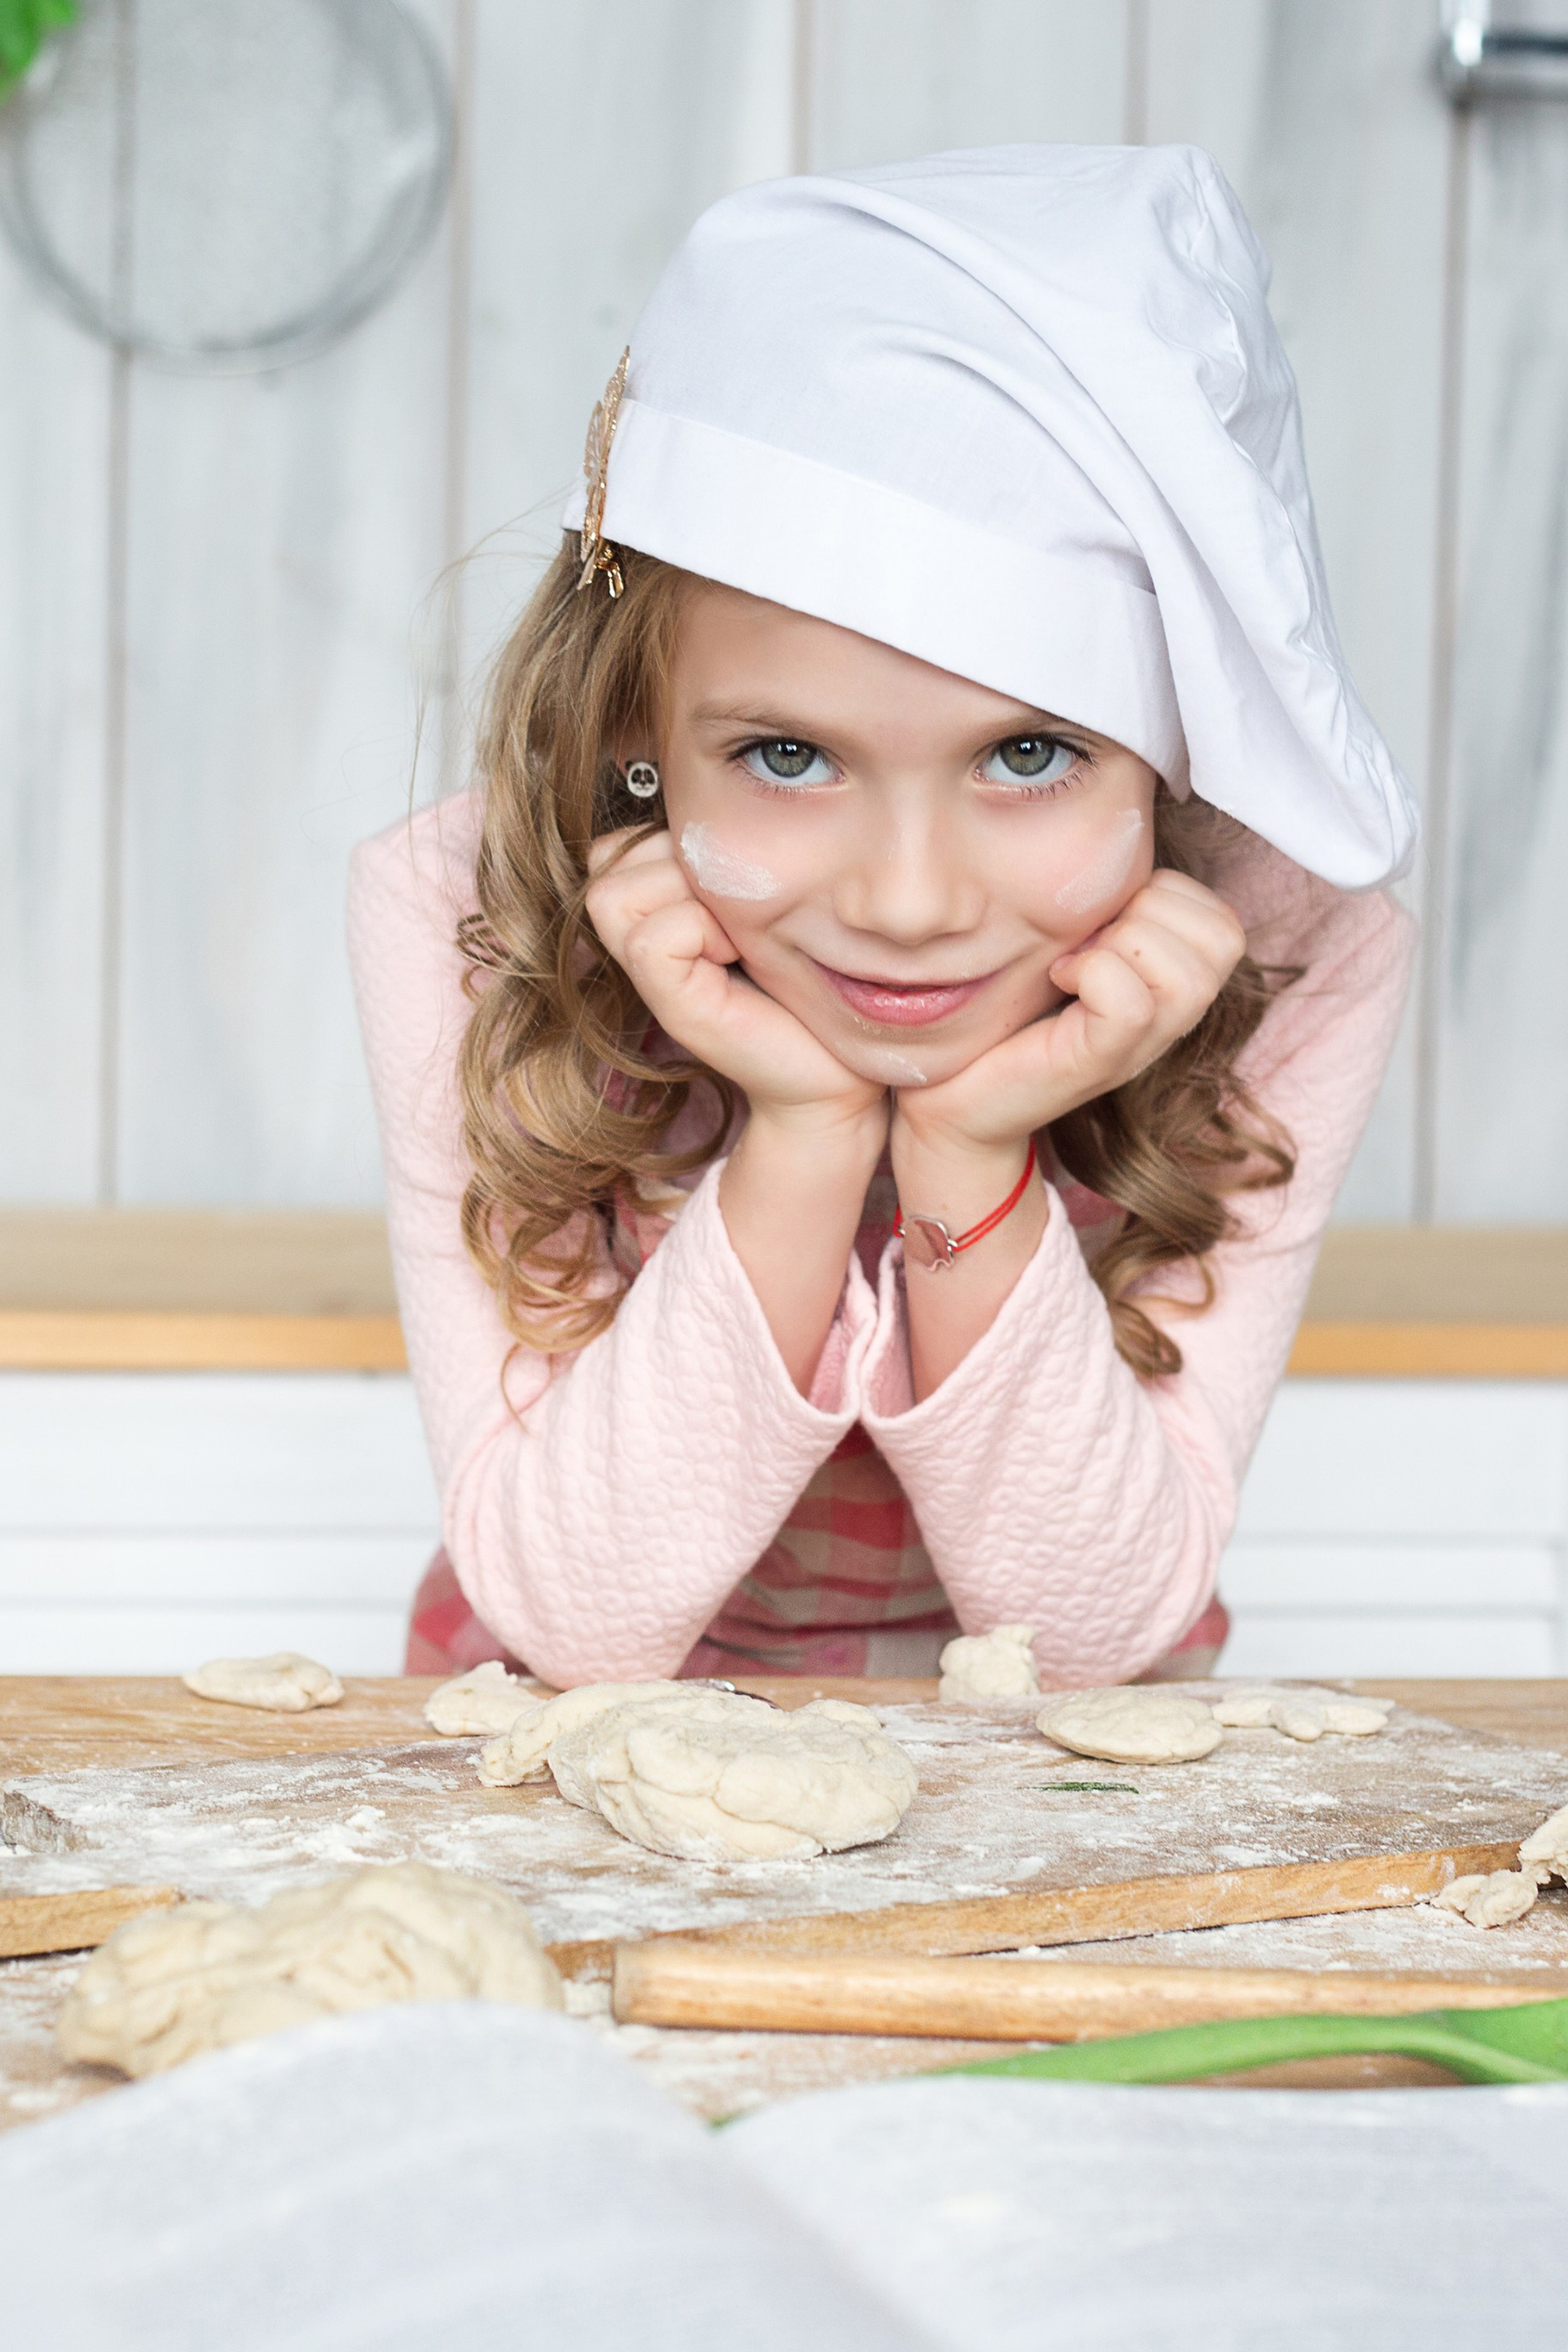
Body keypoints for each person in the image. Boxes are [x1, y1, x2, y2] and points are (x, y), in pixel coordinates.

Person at [349, 143, 1415, 1691]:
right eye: (785, 757)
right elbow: (574, 1622)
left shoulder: (1284, 949)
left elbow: (1093, 1642)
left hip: (1057, 1773)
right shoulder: (473, 917)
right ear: (638, 722)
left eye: (1028, 754)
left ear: (1176, 757)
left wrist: (972, 1154)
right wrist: (797, 1135)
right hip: (566, 1754)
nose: (906, 907)